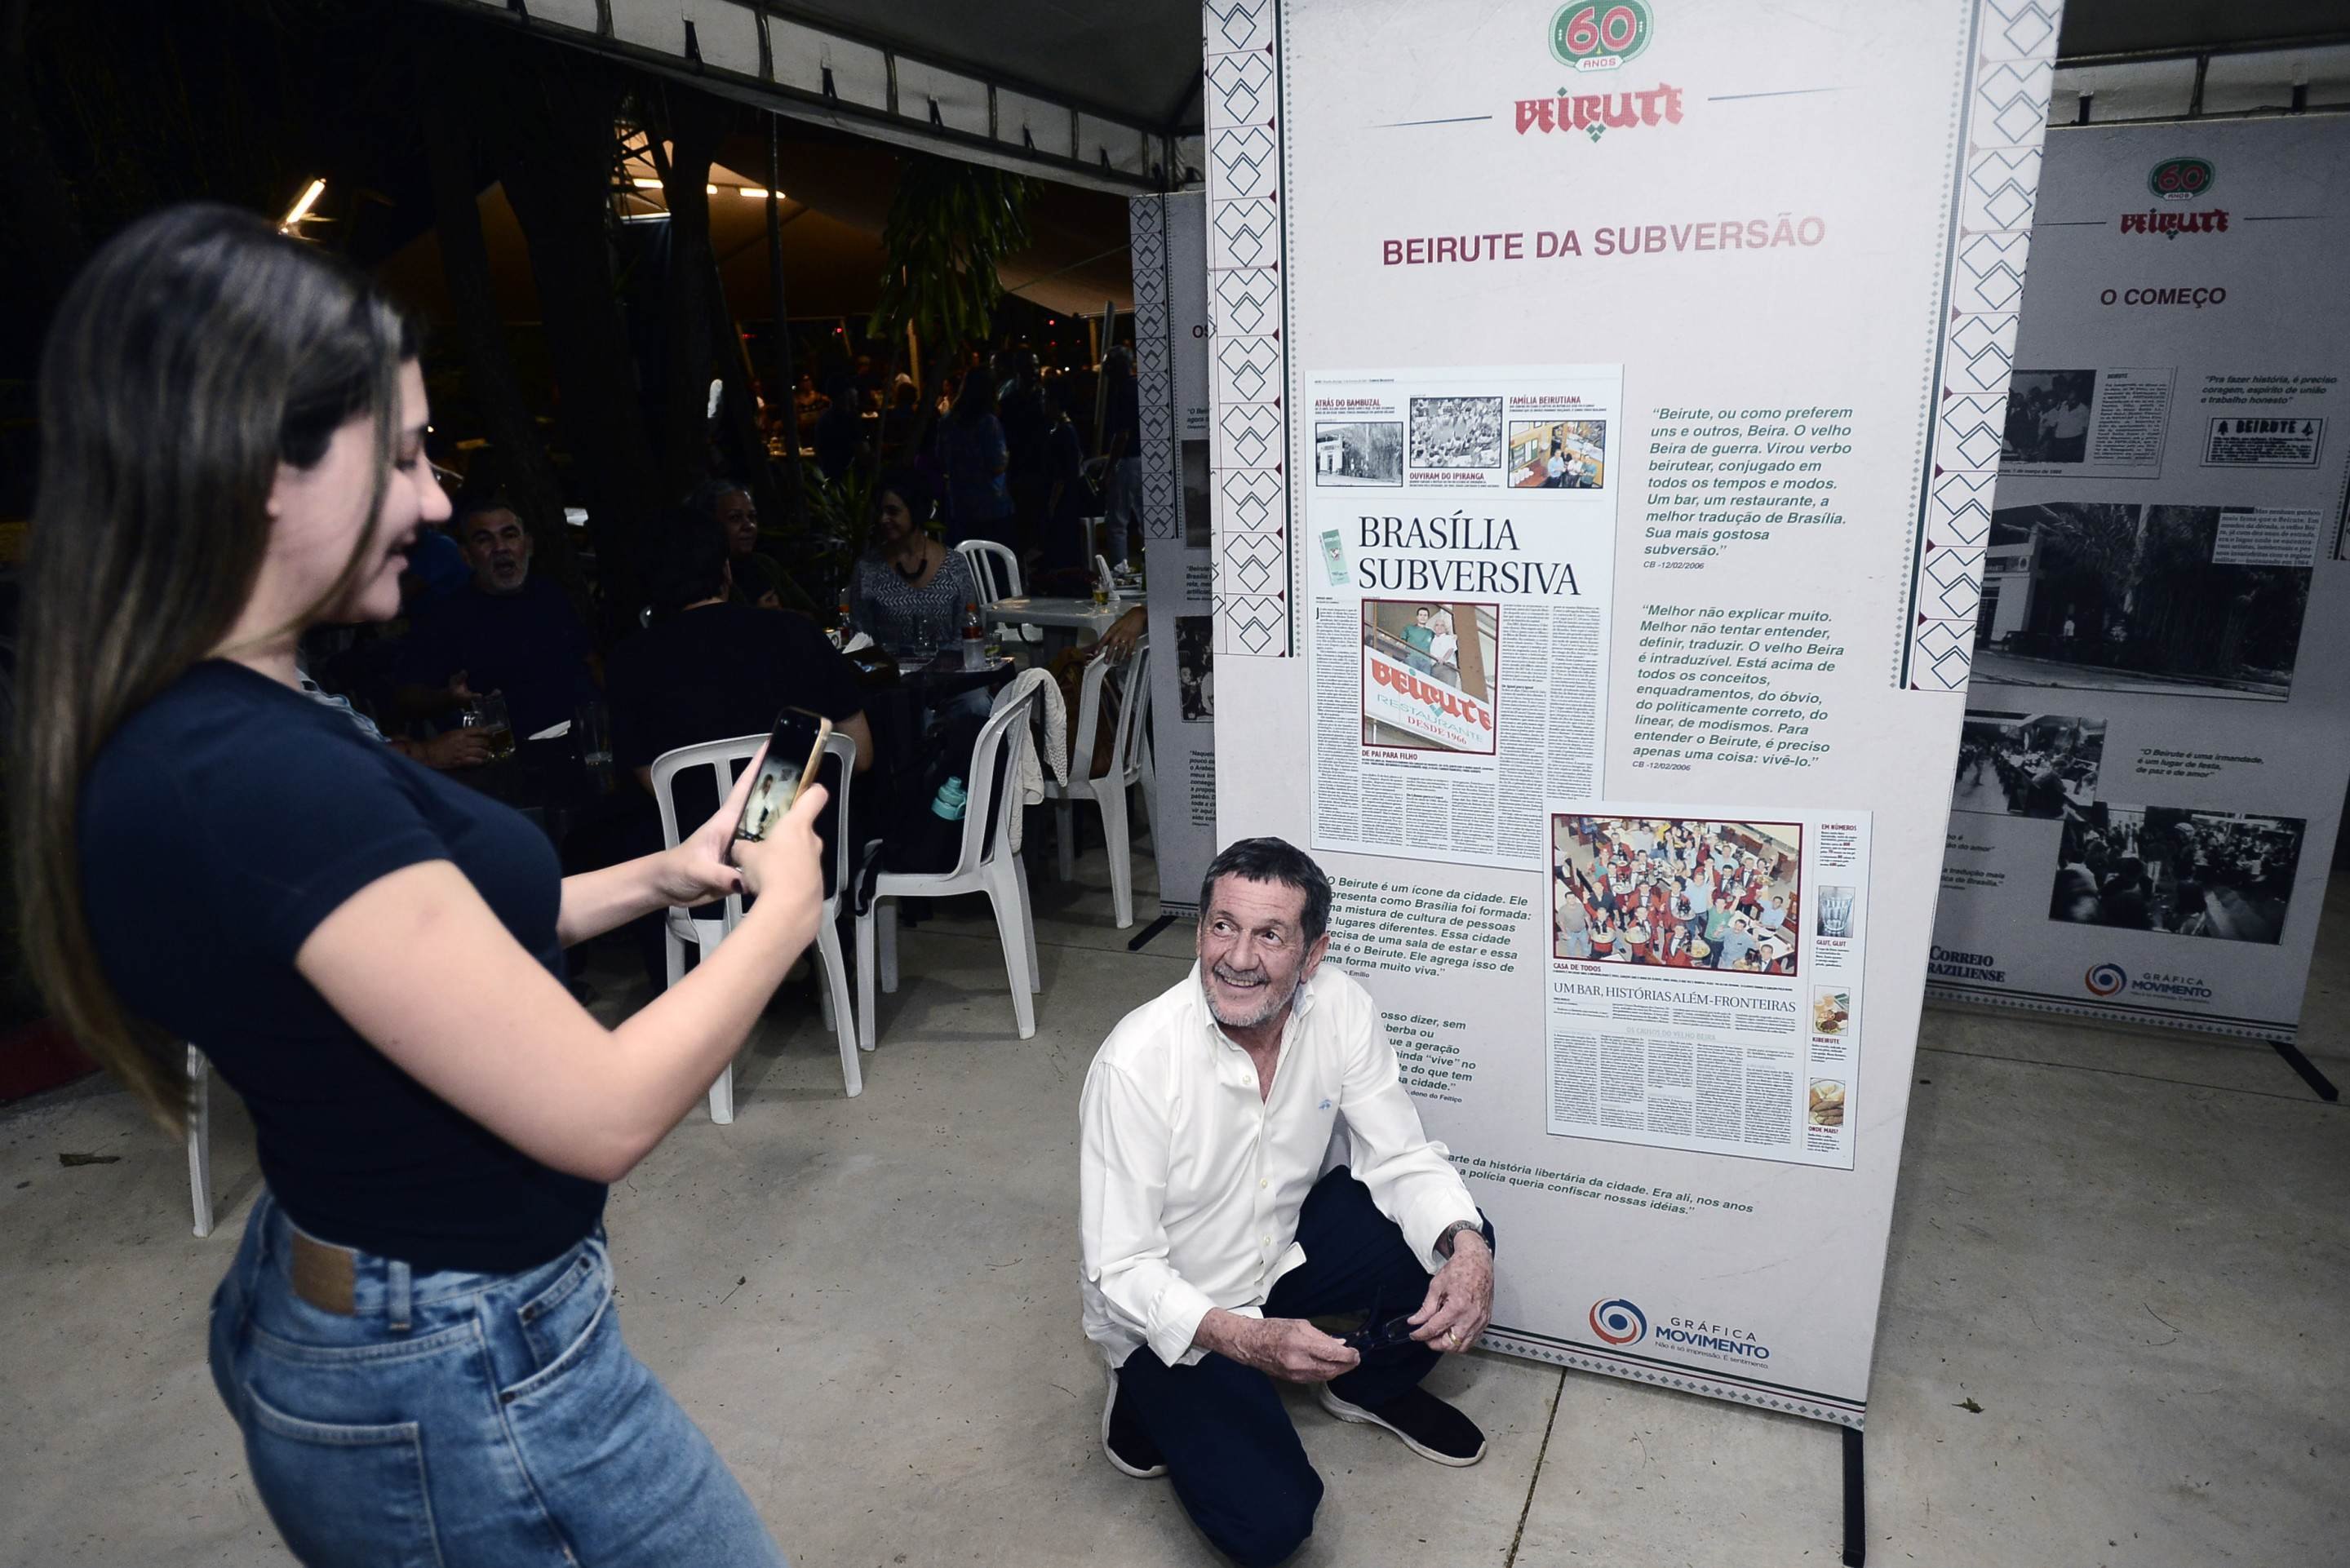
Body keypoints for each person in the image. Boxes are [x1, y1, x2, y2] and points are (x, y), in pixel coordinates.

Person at [20, 205, 826, 1566]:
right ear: (264, 464)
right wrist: (786, 910)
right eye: (400, 455)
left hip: (365, 1290)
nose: (440, 500)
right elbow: (605, 1107)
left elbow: (425, 951)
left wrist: (660, 874)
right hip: (463, 1361)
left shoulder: (216, 718)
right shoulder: (259, 775)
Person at [1080, 839, 1496, 1566]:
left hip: (1280, 1254)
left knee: (1456, 1233)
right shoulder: (1137, 1061)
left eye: (1269, 935)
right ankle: (1140, 1394)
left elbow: (1398, 1154)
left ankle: (1368, 1384)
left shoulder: (1341, 1006)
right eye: (1221, 926)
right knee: (1272, 1526)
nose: (1237, 958)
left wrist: (1468, 1247)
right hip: (1180, 1307)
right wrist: (1248, 1343)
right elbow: (1120, 1266)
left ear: (1311, 954)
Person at [394, 495, 597, 744]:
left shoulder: (551, 594)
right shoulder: (447, 617)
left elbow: (589, 659)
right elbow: (407, 696)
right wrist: (448, 697)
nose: (500, 547)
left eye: (509, 535)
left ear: (529, 545)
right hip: (511, 753)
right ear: (467, 556)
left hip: (583, 738)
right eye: (484, 539)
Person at [848, 467, 979, 653]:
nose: (883, 519)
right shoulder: (868, 569)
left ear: (915, 510)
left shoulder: (954, 564)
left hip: (951, 673)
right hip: (891, 675)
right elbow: (861, 639)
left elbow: (968, 632)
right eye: (880, 512)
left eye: (893, 512)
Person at [938, 368, 1015, 549]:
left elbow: (941, 458)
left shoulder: (947, 421)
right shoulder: (988, 423)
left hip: (959, 503)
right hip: (991, 503)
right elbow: (996, 464)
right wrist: (1008, 457)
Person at [691, 477, 785, 611]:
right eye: (735, 518)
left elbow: (816, 616)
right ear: (711, 524)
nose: (749, 526)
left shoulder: (766, 565)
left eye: (752, 517)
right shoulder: (701, 581)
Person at [1099, 345, 1142, 567]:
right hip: (1147, 460)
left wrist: (1108, 469)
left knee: (1117, 522)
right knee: (1146, 520)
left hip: (1126, 462)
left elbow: (1122, 435)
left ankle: (1120, 571)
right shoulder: (1141, 387)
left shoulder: (1120, 391)